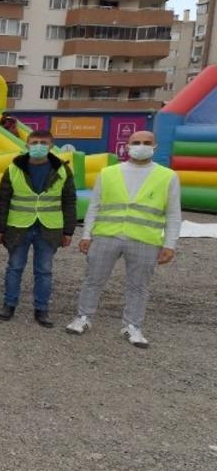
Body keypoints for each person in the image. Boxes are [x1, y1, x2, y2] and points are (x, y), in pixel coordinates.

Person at [67, 131, 181, 348]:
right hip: (106, 235)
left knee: (138, 286)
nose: (141, 146)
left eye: (147, 143)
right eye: (136, 142)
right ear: (127, 146)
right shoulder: (109, 172)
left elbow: (173, 214)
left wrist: (170, 244)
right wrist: (86, 235)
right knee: (93, 280)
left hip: (145, 239)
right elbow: (95, 206)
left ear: (155, 147)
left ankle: (132, 326)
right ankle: (83, 317)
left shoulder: (168, 176)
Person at [0, 129, 77, 327]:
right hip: (18, 226)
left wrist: (68, 231)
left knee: (44, 270)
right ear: (27, 144)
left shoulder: (62, 169)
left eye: (43, 142)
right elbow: (3, 199)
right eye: (34, 142)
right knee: (14, 267)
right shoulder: (13, 168)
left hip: (48, 228)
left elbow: (69, 201)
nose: (38, 145)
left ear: (51, 145)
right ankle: (9, 304)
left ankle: (41, 309)